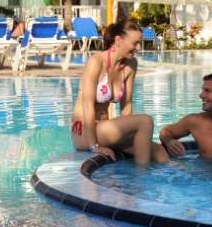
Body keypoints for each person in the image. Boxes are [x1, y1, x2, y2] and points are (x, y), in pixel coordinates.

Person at [70, 18, 165, 165]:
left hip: (107, 130)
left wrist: (132, 134)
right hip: (84, 131)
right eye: (135, 43)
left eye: (140, 43)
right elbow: (87, 105)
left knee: (158, 151)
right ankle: (143, 178)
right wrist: (94, 146)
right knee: (145, 121)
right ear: (119, 40)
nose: (139, 48)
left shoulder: (130, 65)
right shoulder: (96, 63)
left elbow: (126, 107)